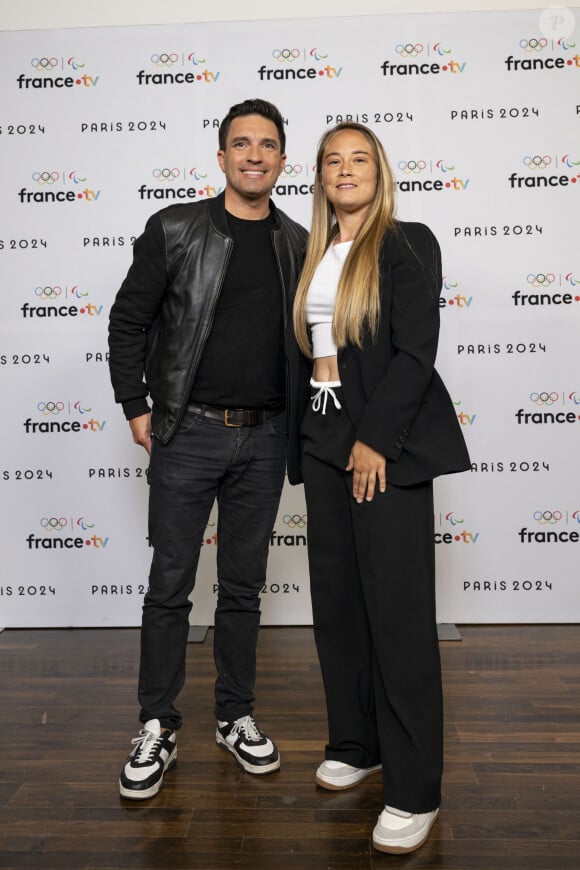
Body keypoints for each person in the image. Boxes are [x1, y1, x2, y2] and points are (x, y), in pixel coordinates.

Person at [108, 98, 308, 800]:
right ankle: (157, 723)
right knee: (170, 585)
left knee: (243, 588)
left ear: (285, 160)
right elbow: (127, 319)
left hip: (267, 435)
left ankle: (235, 714)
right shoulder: (176, 229)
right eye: (241, 143)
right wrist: (135, 405)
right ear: (221, 156)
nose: (255, 155)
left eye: (268, 145)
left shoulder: (298, 242)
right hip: (187, 431)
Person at [287, 122, 470, 854]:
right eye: (333, 160)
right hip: (324, 439)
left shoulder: (406, 241)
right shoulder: (310, 255)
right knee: (339, 606)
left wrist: (374, 441)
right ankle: (357, 744)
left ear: (380, 172)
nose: (345, 169)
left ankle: (415, 786)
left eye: (359, 159)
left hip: (382, 445)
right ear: (321, 179)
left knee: (395, 612)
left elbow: (413, 351)